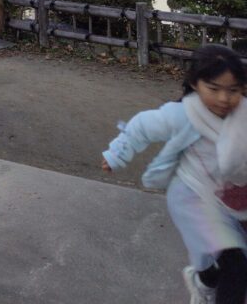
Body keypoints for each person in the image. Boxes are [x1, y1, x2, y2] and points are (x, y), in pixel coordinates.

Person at [102, 45, 247, 304]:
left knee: (220, 265)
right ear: (195, 83)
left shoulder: (243, 114)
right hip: (194, 199)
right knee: (235, 264)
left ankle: (204, 279)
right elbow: (142, 127)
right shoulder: (183, 115)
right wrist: (116, 155)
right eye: (214, 89)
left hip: (234, 199)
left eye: (233, 90)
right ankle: (207, 279)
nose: (224, 99)